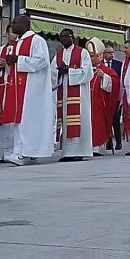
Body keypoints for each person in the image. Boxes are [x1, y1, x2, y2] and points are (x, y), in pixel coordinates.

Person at [3, 15, 54, 166]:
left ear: (25, 24)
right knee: (21, 121)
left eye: (15, 22)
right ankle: (25, 152)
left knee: (28, 121)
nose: (12, 25)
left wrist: (18, 59)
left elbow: (42, 61)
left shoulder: (37, 40)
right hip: (20, 89)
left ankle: (23, 154)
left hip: (32, 90)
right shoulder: (18, 42)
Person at [50, 28, 94, 162]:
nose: (63, 39)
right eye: (61, 37)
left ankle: (81, 151)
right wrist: (59, 72)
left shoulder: (82, 52)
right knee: (65, 120)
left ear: (72, 37)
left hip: (79, 94)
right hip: (63, 93)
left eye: (66, 36)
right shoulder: (58, 55)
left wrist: (69, 71)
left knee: (80, 119)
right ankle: (67, 152)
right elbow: (51, 73)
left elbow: (87, 73)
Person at [0, 25, 19, 162]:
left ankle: (14, 151)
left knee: (13, 121)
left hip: (16, 89)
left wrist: (9, 65)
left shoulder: (21, 49)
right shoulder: (0, 50)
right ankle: (3, 150)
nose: (14, 34)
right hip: (2, 88)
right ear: (6, 33)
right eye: (12, 31)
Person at [86, 39, 119, 156]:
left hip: (100, 103)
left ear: (99, 56)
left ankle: (98, 148)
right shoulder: (85, 69)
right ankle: (87, 147)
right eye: (89, 56)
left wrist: (104, 77)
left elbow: (114, 84)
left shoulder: (106, 70)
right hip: (86, 103)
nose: (90, 58)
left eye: (92, 56)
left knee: (98, 123)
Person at [103, 46, 123, 151]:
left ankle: (118, 142)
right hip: (104, 96)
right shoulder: (100, 65)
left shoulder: (118, 64)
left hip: (115, 96)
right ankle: (108, 142)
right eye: (109, 53)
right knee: (106, 120)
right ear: (104, 54)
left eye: (112, 52)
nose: (111, 54)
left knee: (115, 119)